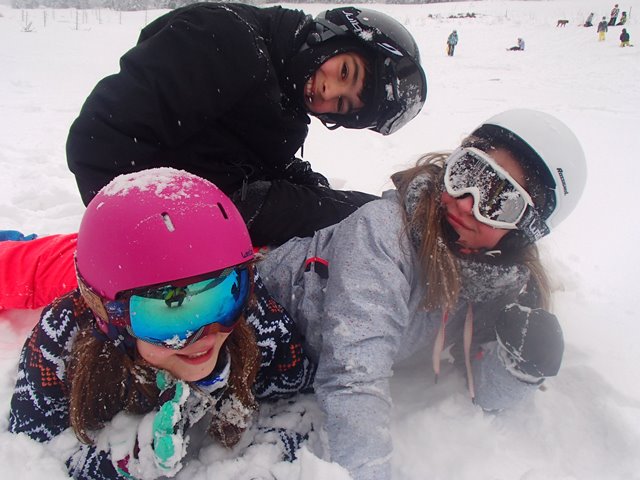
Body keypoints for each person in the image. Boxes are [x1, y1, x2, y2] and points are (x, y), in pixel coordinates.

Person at [258, 109, 587, 480]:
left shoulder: (494, 283)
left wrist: (521, 368)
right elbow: (353, 377)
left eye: (499, 201)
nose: (466, 202)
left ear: (524, 229)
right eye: (468, 173)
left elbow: (482, 388)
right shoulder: (385, 231)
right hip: (259, 310)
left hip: (310, 360)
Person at [8, 168, 316, 479]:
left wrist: (231, 388)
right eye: (172, 308)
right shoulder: (62, 337)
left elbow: (299, 392)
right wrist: (126, 464)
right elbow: (33, 450)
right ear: (111, 319)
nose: (206, 335)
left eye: (221, 296)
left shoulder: (249, 314)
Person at [66, 4, 427, 247]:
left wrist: (315, 188)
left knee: (344, 211)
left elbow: (251, 156)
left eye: (343, 105)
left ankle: (401, 222)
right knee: (345, 214)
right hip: (164, 223)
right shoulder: (224, 38)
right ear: (334, 35)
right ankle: (396, 223)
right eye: (345, 71)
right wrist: (151, 235)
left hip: (208, 205)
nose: (328, 92)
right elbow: (99, 142)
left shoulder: (281, 89)